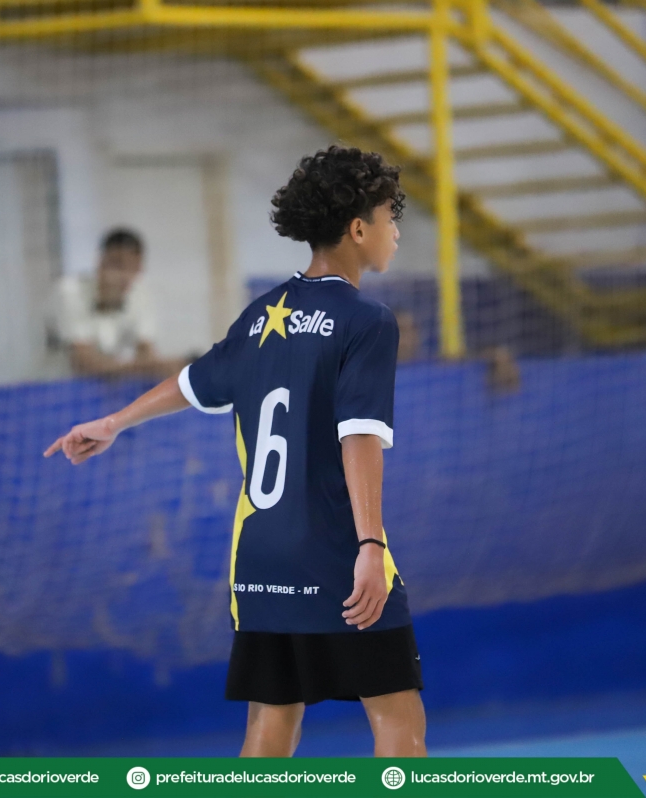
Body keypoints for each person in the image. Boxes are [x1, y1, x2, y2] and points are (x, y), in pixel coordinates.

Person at [44, 146, 426, 757]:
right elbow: (358, 437)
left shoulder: (260, 316)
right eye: (389, 218)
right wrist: (370, 546)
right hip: (334, 548)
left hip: (259, 557)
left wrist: (114, 422)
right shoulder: (367, 321)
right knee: (398, 726)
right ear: (359, 230)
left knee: (268, 729)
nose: (396, 232)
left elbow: (192, 382)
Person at [47, 228, 184, 379]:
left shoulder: (140, 293)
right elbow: (83, 363)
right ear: (100, 262)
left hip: (111, 385)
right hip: (56, 384)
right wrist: (152, 366)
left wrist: (161, 367)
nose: (124, 275)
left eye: (133, 267)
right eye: (118, 265)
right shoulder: (70, 292)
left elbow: (146, 350)